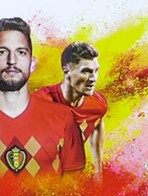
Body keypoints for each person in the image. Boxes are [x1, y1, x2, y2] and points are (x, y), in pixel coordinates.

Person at [0, 18, 85, 178]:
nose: (12, 61)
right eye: (2, 52)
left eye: (21, 52)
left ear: (32, 63)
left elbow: (76, 189)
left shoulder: (63, 119)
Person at [38, 40, 108, 171]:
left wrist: (98, 175)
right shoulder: (42, 101)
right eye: (86, 71)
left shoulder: (98, 104)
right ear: (66, 72)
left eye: (95, 71)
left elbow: (96, 129)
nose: (93, 78)